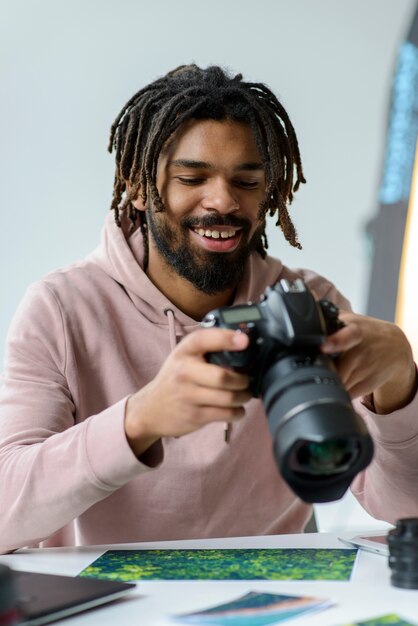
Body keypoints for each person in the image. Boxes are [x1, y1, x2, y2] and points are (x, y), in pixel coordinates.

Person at [0, 65, 417, 554]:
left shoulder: (305, 305)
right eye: (192, 177)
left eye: (246, 181)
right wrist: (140, 420)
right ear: (138, 185)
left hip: (277, 601)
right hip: (112, 607)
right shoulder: (62, 309)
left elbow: (405, 510)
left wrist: (399, 388)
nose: (222, 200)